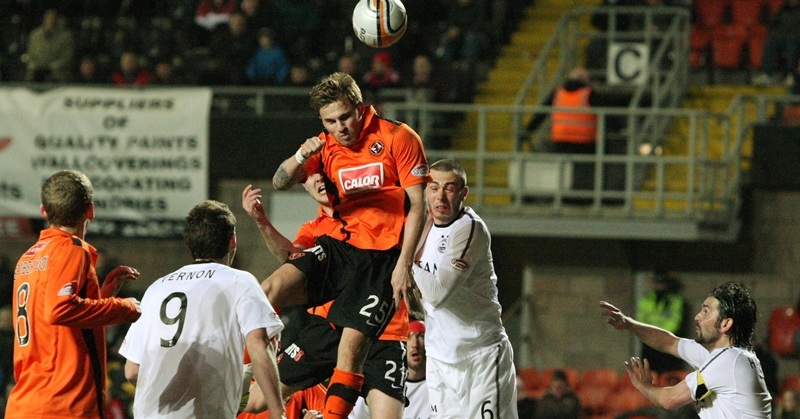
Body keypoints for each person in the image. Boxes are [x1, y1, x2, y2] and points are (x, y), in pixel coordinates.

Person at [266, 71, 430, 418]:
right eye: (330, 121)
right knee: (271, 289)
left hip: (381, 259)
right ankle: (241, 368)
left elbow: (419, 204)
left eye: (344, 117)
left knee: (351, 349)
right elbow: (280, 180)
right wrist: (299, 157)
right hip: (340, 247)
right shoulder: (325, 146)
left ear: (360, 108)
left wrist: (404, 264)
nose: (339, 127)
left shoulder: (397, 137)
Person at [241, 175, 413, 419]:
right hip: (328, 328)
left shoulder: (370, 216)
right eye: (312, 178)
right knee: (256, 399)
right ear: (304, 185)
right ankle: (206, 399)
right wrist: (261, 221)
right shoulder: (314, 228)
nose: (320, 182)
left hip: (384, 335)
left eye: (325, 176)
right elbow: (294, 261)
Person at [118, 200, 285, 418]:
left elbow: (132, 371)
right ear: (232, 240)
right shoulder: (239, 281)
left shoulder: (156, 288)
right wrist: (278, 413)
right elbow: (258, 344)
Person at [6, 169, 142, 418]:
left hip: (27, 402)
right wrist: (124, 307)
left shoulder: (28, 258)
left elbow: (61, 327)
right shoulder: (71, 250)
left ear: (44, 211)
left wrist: (104, 295)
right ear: (90, 211)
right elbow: (60, 310)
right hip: (62, 402)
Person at [412, 159, 518, 417]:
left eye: (449, 188)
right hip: (439, 359)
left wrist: (401, 258)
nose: (440, 196)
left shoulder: (469, 229)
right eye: (434, 187)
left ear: (463, 193)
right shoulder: (421, 226)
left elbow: (436, 295)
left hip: (480, 356)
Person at [599, 282, 773, 417]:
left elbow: (669, 399)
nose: (697, 316)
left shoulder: (728, 362)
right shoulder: (727, 356)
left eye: (706, 312)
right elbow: (670, 342)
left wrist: (642, 386)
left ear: (725, 324)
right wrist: (629, 323)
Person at [349, 319, 429, 419]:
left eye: (421, 336)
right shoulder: (381, 381)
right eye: (409, 337)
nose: (415, 344)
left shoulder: (440, 384)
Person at [635, 271, 689, 373]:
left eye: (662, 283)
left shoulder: (675, 300)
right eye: (658, 283)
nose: (660, 286)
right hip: (649, 341)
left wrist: (660, 333)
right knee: (649, 371)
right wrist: (650, 332)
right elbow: (641, 318)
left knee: (668, 372)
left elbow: (675, 321)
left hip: (667, 340)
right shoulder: (647, 299)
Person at [753, 0, 800, 87]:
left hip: (795, 38)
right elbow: (772, 24)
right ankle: (766, 74)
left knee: (792, 44)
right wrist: (773, 34)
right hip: (780, 37)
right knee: (770, 42)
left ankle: (790, 75)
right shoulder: (782, 9)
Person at [25, 9, 75, 82]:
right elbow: (30, 54)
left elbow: (67, 56)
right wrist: (34, 65)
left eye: (53, 18)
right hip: (37, 70)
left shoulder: (65, 37)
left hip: (57, 71)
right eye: (48, 18)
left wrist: (54, 66)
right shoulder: (35, 35)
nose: (50, 20)